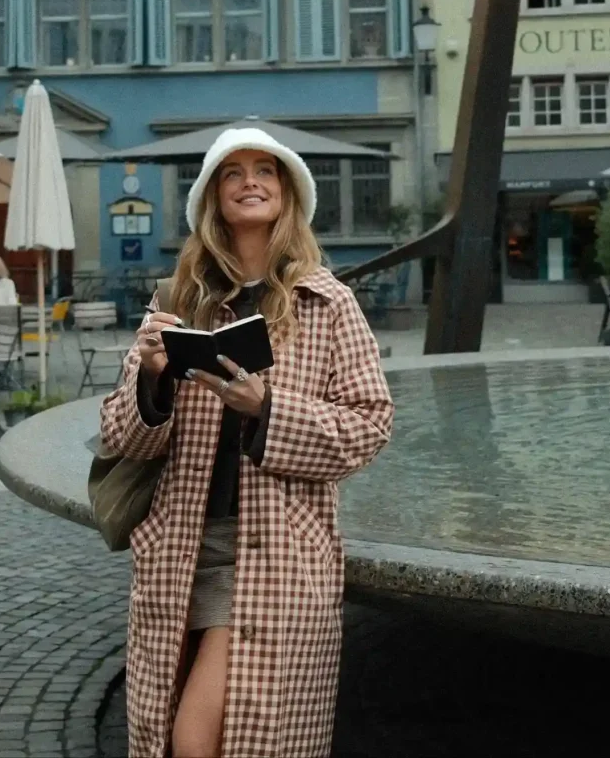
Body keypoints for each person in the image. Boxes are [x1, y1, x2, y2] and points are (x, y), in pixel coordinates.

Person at [100, 127, 394, 758]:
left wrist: (268, 410)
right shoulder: (177, 300)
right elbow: (120, 436)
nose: (250, 182)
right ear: (213, 196)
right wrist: (151, 377)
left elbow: (369, 425)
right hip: (179, 548)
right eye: (232, 173)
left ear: (288, 194)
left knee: (198, 739)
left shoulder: (328, 303)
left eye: (266, 170)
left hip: (275, 551)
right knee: (172, 731)